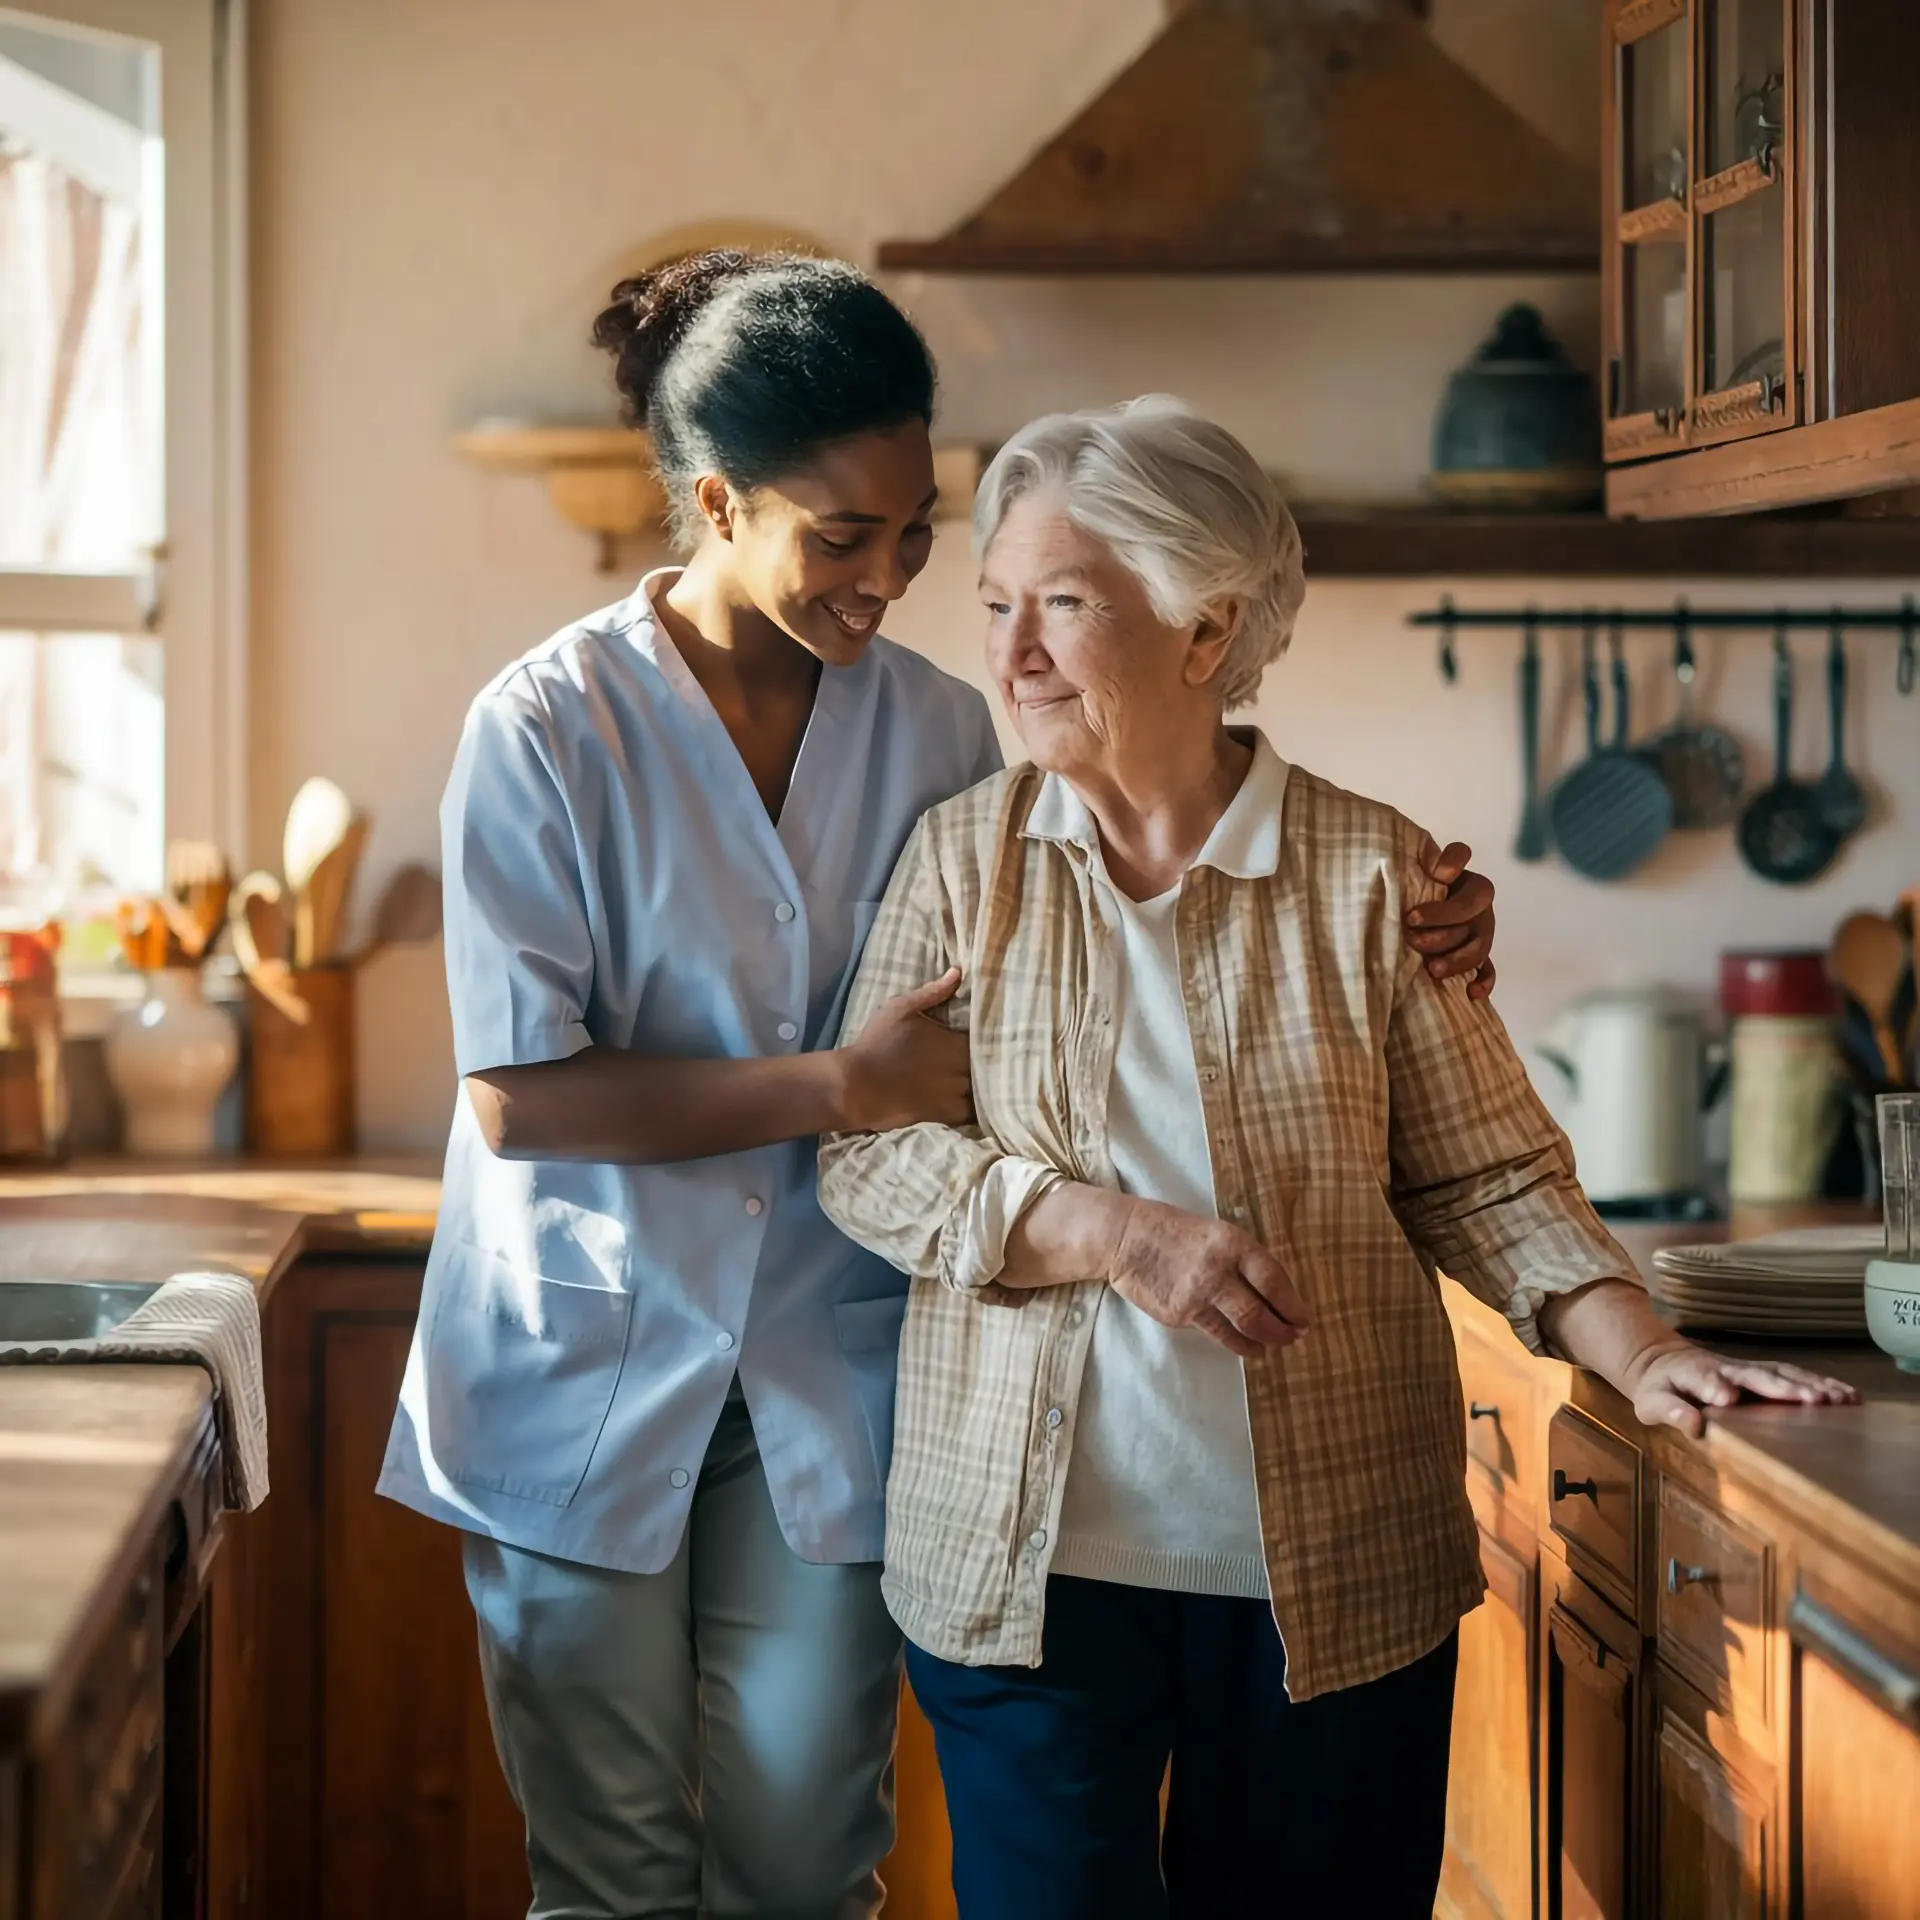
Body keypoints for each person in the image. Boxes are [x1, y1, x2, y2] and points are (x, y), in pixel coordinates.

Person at [378, 255, 1501, 1920]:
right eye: (844, 536)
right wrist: (840, 1085)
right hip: (582, 1358)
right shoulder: (546, 730)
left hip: (830, 1375)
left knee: (807, 1864)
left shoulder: (941, 734)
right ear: (714, 500)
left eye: (917, 532)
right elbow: (516, 1099)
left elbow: (1117, 897)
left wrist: (1414, 912)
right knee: (606, 1875)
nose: (893, 576)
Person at [815, 395, 1858, 1920]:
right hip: (1017, 1571)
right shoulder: (961, 863)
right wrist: (1109, 1231)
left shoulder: (1379, 875)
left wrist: (1641, 1352)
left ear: (1204, 625)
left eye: (1063, 604)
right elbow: (871, 1159)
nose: (1011, 651)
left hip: (1335, 1570)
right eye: (994, 605)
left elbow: (1491, 1178)